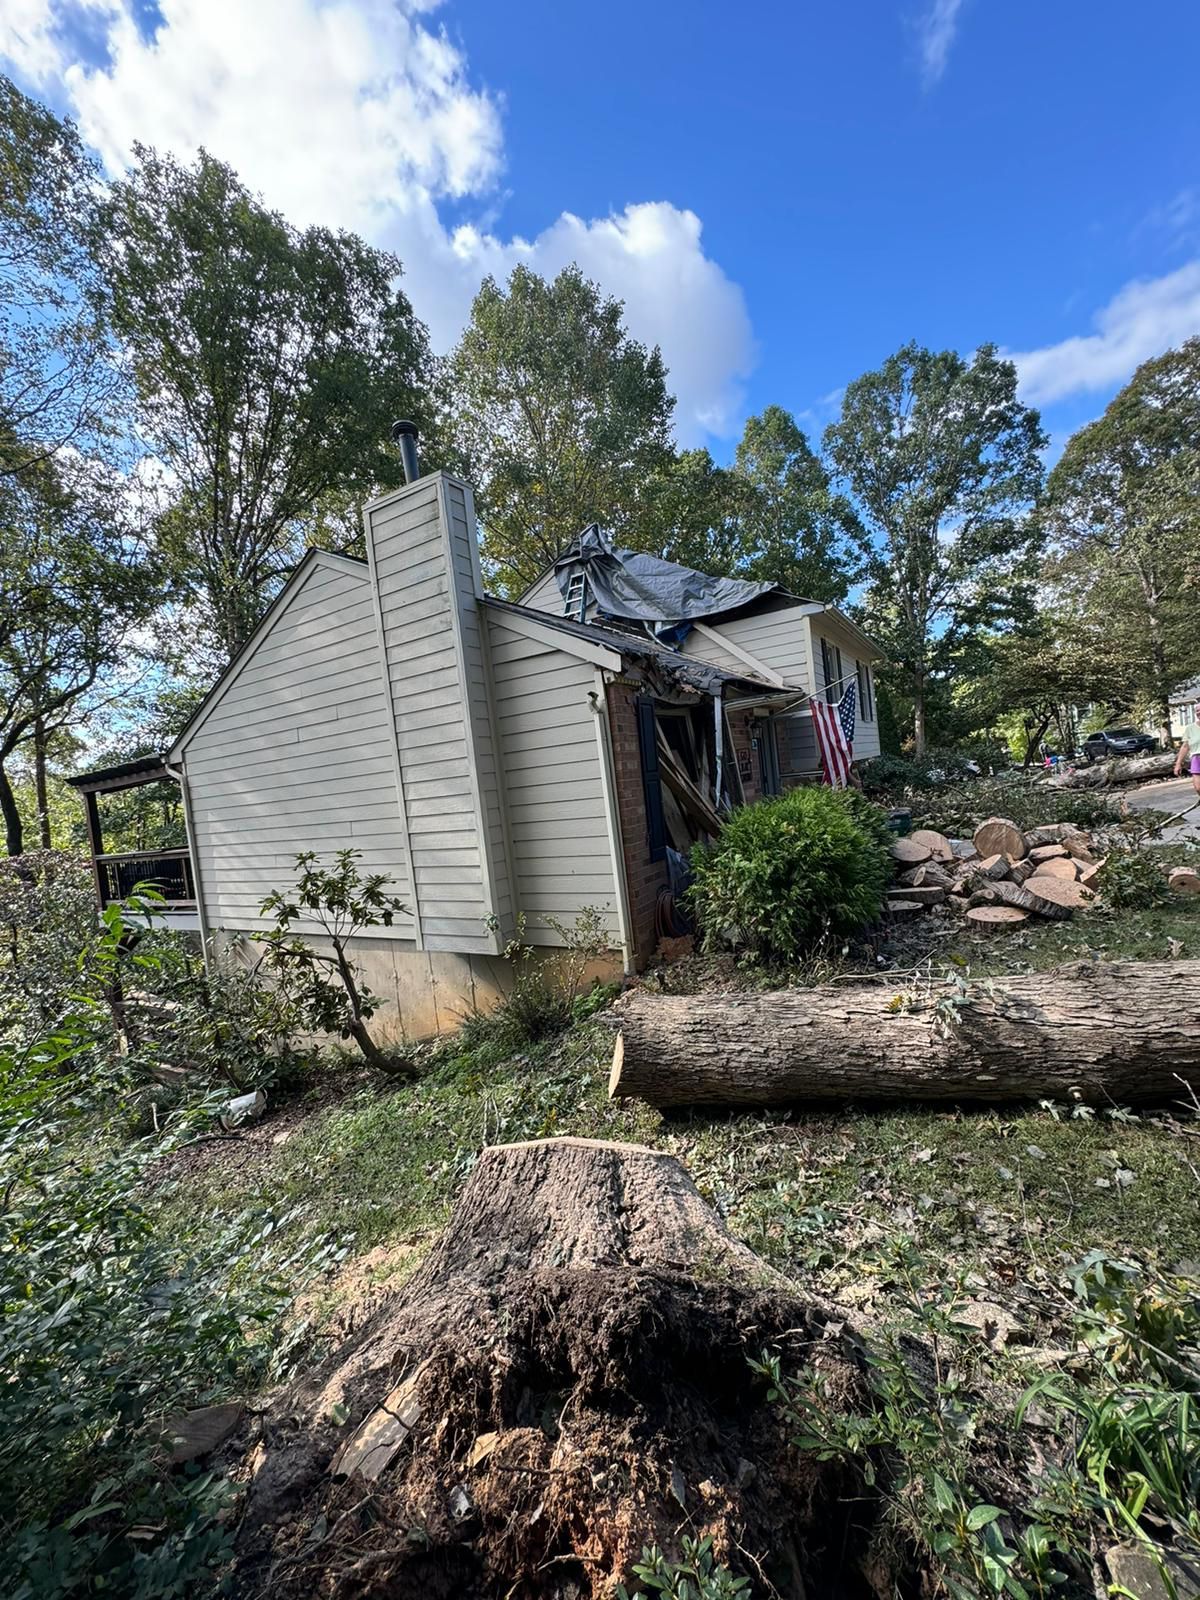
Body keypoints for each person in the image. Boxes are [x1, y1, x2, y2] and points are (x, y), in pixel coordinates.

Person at [1174, 714, 1200, 798]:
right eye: (1197, 711)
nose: (1199, 712)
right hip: (1196, 758)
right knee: (1198, 787)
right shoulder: (1190, 728)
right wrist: (1178, 763)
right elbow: (1185, 746)